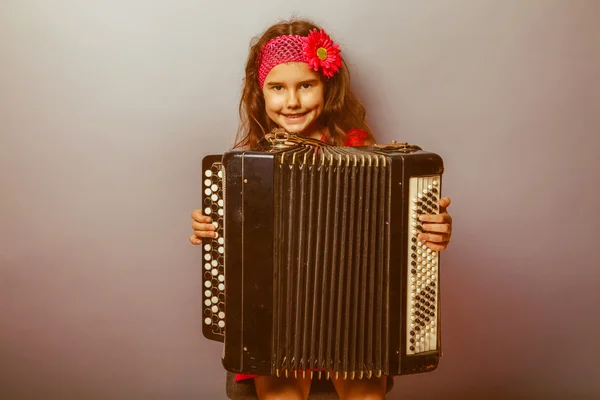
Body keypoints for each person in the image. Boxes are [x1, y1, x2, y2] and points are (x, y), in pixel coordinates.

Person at [189, 17, 453, 400]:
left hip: (353, 315)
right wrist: (211, 231)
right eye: (277, 88)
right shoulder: (248, 164)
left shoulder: (365, 153)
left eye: (306, 86)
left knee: (363, 391)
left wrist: (432, 229)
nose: (292, 101)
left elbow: (401, 236)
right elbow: (235, 243)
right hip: (277, 316)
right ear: (259, 92)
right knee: (280, 390)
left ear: (327, 88)